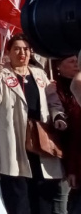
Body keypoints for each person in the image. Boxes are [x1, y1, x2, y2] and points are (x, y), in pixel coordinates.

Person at [0, 36, 66, 214]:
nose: (22, 53)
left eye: (26, 49)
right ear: (8, 52)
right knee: (18, 197)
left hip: (40, 141)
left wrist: (58, 117)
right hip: (15, 140)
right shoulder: (2, 73)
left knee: (43, 198)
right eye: (17, 49)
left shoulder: (39, 74)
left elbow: (53, 101)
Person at [54, 56, 81, 214]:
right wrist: (72, 169)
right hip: (62, 153)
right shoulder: (53, 88)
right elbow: (74, 137)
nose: (76, 64)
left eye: (78, 61)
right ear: (58, 65)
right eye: (72, 61)